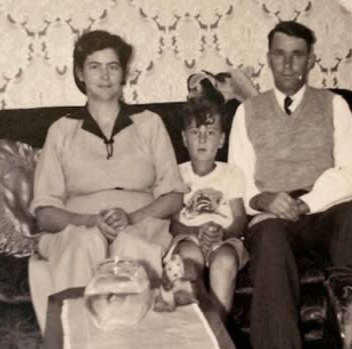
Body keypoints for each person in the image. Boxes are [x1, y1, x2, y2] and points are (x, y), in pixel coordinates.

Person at [228, 21, 352, 349]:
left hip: (324, 207)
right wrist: (266, 200)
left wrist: (308, 202)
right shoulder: (246, 112)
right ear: (268, 58)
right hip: (272, 213)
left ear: (311, 60)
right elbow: (238, 180)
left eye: (297, 55)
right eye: (279, 54)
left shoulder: (334, 104)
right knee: (268, 238)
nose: (287, 64)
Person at [28, 30, 186, 330]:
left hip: (141, 226)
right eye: (94, 66)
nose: (105, 75)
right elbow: (44, 214)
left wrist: (131, 217)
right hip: (78, 230)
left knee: (130, 246)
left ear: (124, 72)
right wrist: (90, 222)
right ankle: (79, 337)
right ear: (80, 73)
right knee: (86, 242)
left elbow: (174, 195)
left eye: (113, 66)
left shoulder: (150, 123)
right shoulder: (61, 131)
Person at [169, 98, 248, 320]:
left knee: (225, 261)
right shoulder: (176, 174)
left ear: (222, 140)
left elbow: (240, 217)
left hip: (224, 239)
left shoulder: (232, 174)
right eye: (195, 132)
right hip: (188, 237)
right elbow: (174, 222)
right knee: (188, 257)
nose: (202, 139)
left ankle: (217, 328)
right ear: (184, 138)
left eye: (211, 132)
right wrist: (196, 233)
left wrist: (223, 234)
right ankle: (192, 327)